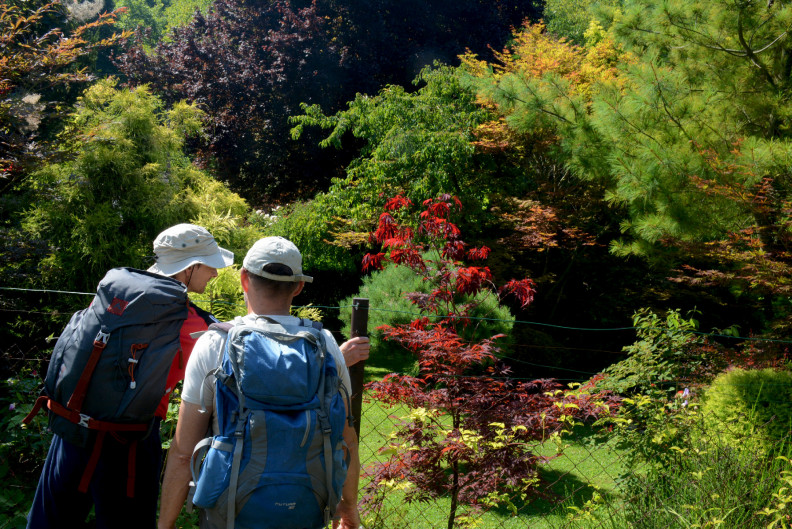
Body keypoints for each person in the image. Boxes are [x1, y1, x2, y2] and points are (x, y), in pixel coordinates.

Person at [27, 223, 234, 529]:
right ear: (191, 267)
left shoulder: (115, 296)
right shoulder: (191, 324)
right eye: (210, 266)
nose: (215, 274)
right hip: (129, 445)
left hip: (72, 432)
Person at [158, 236, 361, 529]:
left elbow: (181, 453)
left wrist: (165, 524)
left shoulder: (216, 344)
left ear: (244, 280)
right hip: (306, 510)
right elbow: (348, 440)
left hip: (231, 515)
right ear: (299, 286)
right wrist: (349, 507)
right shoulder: (325, 345)